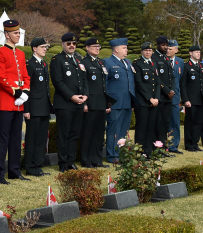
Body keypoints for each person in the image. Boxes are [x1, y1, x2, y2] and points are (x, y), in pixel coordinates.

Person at [0, 20, 31, 184]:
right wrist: (17, 92)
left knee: (16, 138)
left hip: (19, 102)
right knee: (2, 138)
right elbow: (1, 78)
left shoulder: (20, 54)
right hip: (6, 101)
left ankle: (14, 171)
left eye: (19, 33)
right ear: (7, 34)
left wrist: (26, 92)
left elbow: (25, 75)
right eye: (15, 33)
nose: (18, 35)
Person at [50, 32, 88, 172]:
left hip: (79, 103)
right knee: (63, 134)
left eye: (74, 43)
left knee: (74, 134)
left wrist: (85, 96)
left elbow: (84, 79)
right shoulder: (57, 59)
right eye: (68, 43)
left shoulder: (79, 59)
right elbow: (58, 82)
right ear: (63, 44)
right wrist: (72, 96)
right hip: (65, 104)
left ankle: (71, 161)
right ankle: (62, 163)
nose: (72, 46)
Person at [80, 38, 114, 168]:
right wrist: (85, 103)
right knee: (88, 132)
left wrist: (106, 104)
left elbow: (103, 86)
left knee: (99, 134)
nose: (97, 48)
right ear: (87, 48)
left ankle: (97, 159)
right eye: (94, 46)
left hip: (101, 102)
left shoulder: (101, 62)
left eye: (98, 46)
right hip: (90, 103)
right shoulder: (83, 62)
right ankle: (86, 159)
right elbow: (84, 84)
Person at [104, 38, 138, 163]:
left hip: (127, 102)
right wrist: (107, 103)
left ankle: (121, 154)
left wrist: (132, 102)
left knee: (123, 130)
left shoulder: (127, 62)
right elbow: (104, 84)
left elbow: (130, 83)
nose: (126, 50)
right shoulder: (107, 62)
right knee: (113, 130)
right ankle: (112, 155)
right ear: (116, 49)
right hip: (114, 103)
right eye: (124, 48)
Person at [23, 38, 53, 176]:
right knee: (32, 138)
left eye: (46, 46)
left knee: (41, 138)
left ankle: (38, 165)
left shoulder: (44, 63)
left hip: (44, 107)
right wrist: (26, 109)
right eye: (42, 46)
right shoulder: (30, 64)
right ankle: (30, 166)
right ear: (34, 48)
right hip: (34, 107)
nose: (45, 49)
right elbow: (27, 88)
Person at [132, 42, 160, 156]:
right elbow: (139, 83)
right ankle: (139, 151)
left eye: (150, 50)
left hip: (154, 102)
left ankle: (148, 151)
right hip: (143, 101)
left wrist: (157, 98)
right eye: (146, 50)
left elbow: (157, 83)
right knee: (141, 127)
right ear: (142, 51)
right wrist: (149, 98)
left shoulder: (154, 63)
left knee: (151, 127)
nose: (148, 52)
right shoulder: (137, 63)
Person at [180, 45, 203, 152]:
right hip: (191, 100)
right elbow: (183, 85)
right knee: (190, 122)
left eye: (199, 52)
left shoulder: (200, 67)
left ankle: (195, 143)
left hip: (200, 100)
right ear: (190, 53)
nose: (198, 54)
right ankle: (188, 144)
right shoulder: (186, 66)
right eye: (196, 52)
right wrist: (185, 99)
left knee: (198, 123)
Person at [152, 36, 175, 156]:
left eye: (167, 45)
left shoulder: (166, 58)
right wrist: (166, 91)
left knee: (166, 123)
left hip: (168, 97)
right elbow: (156, 78)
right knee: (158, 123)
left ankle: (163, 148)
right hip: (159, 96)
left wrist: (172, 90)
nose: (165, 47)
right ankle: (157, 148)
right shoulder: (154, 57)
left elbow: (172, 76)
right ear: (158, 45)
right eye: (163, 45)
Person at [167, 40, 184, 153]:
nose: (168, 50)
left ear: (176, 50)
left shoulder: (180, 62)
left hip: (175, 97)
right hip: (164, 96)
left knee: (175, 122)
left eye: (171, 49)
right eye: (167, 48)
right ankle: (163, 144)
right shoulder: (162, 60)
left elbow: (181, 79)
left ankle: (174, 145)